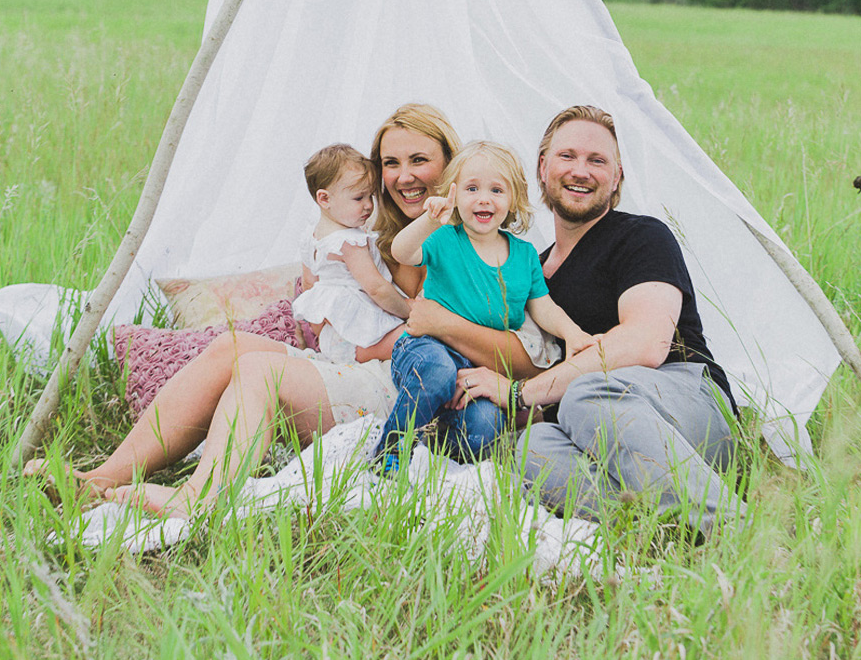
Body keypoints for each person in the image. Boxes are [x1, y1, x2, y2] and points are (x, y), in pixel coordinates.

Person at [25, 104, 542, 515]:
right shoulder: (384, 236)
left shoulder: (485, 240)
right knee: (231, 346)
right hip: (370, 363)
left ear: (450, 167)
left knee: (260, 370)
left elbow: (524, 352)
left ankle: (198, 501)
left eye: (419, 161)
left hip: (412, 390)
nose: (403, 176)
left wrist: (428, 327)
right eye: (391, 163)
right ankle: (102, 479)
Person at [460, 106, 745, 538]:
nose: (581, 170)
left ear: (616, 178)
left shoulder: (641, 236)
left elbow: (645, 343)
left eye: (598, 161)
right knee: (530, 450)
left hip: (690, 406)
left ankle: (733, 532)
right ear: (542, 167)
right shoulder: (531, 275)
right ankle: (667, 533)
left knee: (587, 394)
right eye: (567, 156)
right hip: (607, 440)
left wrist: (523, 394)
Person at [375, 141, 595, 471]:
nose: (483, 198)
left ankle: (434, 437)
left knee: (485, 427)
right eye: (472, 188)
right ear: (454, 195)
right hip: (426, 349)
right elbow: (402, 252)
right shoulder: (446, 238)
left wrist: (574, 334)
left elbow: (543, 307)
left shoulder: (524, 256)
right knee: (437, 373)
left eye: (496, 190)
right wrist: (429, 220)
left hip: (479, 368)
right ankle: (390, 454)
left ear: (514, 199)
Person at [291, 143, 404, 363]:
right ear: (324, 199)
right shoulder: (349, 241)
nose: (369, 206)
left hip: (332, 338)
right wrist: (406, 311)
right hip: (361, 338)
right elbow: (377, 288)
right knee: (412, 339)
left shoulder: (311, 237)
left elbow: (309, 285)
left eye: (370, 196)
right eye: (359, 198)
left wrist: (321, 331)